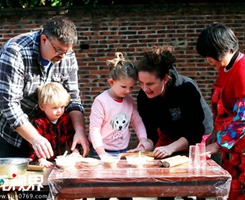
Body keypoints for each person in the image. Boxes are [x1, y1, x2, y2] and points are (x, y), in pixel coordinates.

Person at [0, 15, 90, 160]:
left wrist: (79, 130)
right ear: (44, 39)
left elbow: (73, 97)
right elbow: (8, 103)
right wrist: (35, 138)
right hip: (10, 137)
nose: (62, 56)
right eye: (58, 50)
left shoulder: (67, 55)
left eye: (66, 52)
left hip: (47, 136)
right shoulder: (16, 52)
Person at [136, 45, 213, 200]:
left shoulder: (186, 89)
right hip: (168, 138)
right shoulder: (143, 97)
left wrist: (171, 148)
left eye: (150, 84)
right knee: (164, 186)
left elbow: (195, 130)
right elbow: (150, 131)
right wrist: (145, 144)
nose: (145, 88)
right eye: (141, 83)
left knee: (192, 189)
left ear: (165, 78)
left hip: (198, 138)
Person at [88, 52, 153, 200]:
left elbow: (137, 121)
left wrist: (143, 139)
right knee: (102, 193)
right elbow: (94, 129)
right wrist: (101, 152)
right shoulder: (101, 101)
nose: (128, 91)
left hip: (122, 151)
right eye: (124, 86)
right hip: (101, 151)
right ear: (111, 82)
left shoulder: (128, 100)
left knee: (124, 191)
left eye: (131, 87)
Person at [196, 22, 245, 200]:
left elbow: (242, 117)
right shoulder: (225, 70)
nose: (208, 60)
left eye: (210, 55)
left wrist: (217, 144)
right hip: (231, 150)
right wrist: (214, 136)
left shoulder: (242, 70)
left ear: (224, 49)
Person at [29, 82, 79, 167]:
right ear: (42, 107)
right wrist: (41, 158)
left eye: (62, 107)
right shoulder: (38, 122)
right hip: (43, 162)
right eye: (55, 107)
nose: (59, 111)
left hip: (60, 160)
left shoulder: (65, 119)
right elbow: (34, 145)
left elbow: (71, 137)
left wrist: (75, 151)